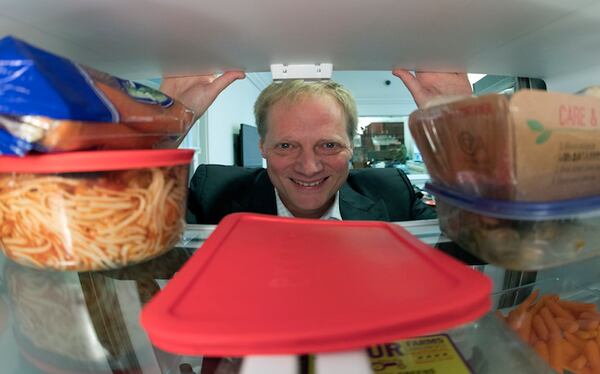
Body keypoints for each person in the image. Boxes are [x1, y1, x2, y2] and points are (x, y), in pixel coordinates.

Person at [160, 69, 472, 224]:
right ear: (262, 147)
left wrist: (460, 129)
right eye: (286, 145)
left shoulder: (390, 195)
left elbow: (476, 247)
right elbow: (129, 260)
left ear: (351, 147)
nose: (309, 166)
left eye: (328, 145)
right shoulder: (214, 193)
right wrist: (163, 130)